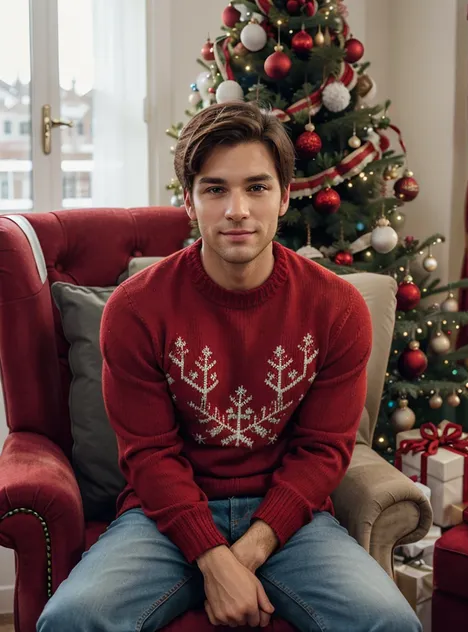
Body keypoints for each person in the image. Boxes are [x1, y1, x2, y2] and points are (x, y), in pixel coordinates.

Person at [37, 101, 420, 632]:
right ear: (190, 204)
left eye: (257, 187)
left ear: (285, 196)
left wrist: (248, 553)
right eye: (215, 189)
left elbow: (324, 450)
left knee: (389, 623)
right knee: (70, 620)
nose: (237, 209)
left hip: (291, 518)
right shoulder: (134, 309)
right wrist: (212, 558)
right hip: (160, 520)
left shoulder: (337, 309)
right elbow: (149, 455)